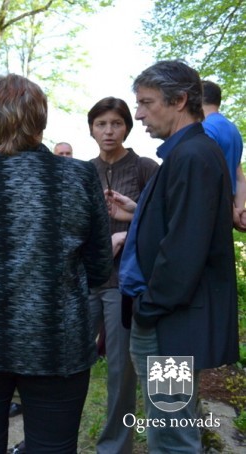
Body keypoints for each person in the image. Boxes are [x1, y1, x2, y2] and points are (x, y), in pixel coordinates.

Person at [0, 73, 113, 453]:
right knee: (53, 446)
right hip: (58, 342)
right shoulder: (80, 175)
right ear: (41, 118)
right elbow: (100, 266)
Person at [120, 60, 239, 452]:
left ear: (180, 100)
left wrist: (149, 308)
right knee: (170, 426)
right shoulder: (187, 153)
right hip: (170, 320)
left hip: (170, 325)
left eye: (146, 102)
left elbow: (185, 247)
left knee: (172, 435)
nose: (139, 114)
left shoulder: (193, 156)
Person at [86, 97, 158, 454]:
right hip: (85, 281)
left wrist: (127, 236)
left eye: (116, 123)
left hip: (124, 284)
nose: (109, 131)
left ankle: (114, 447)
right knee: (68, 362)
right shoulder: (83, 172)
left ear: (127, 126)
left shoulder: (146, 168)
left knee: (120, 370)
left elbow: (163, 222)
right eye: (101, 124)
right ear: (91, 129)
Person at [202, 80, 246, 230]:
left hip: (212, 208)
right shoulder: (233, 130)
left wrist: (230, 210)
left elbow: (209, 173)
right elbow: (239, 177)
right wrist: (239, 210)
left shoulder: (206, 128)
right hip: (227, 212)